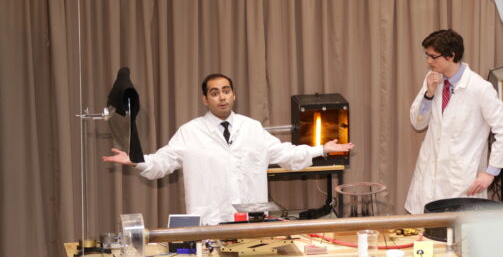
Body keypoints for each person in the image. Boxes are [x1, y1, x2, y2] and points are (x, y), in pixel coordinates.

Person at [103, 73, 355, 225]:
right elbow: (162, 162)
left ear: (233, 95)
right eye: (214, 93)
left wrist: (321, 149)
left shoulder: (252, 128)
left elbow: (286, 155)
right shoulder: (190, 132)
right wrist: (136, 160)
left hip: (250, 222)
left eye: (226, 91)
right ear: (205, 99)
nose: (221, 97)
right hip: (209, 223)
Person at [404, 29, 503, 214]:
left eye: (433, 57)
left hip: (461, 179)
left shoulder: (480, 88)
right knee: (424, 232)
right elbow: (418, 123)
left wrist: (490, 173)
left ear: (451, 56)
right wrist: (429, 94)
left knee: (457, 236)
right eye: (427, 56)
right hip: (429, 177)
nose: (428, 62)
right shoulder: (432, 80)